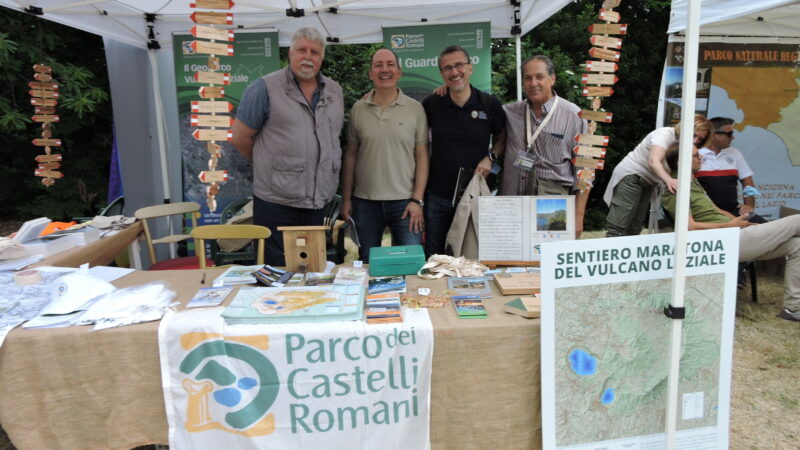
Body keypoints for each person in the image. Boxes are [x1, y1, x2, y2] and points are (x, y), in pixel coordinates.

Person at [231, 27, 344, 266]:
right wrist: (270, 165)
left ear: (321, 58)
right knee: (276, 271)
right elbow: (240, 137)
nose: (308, 56)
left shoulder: (335, 91)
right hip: (276, 201)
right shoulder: (263, 89)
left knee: (312, 269)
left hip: (316, 201)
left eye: (314, 52)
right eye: (302, 49)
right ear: (290, 54)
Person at [662, 144, 800, 322]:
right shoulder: (676, 188)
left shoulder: (692, 181)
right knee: (796, 221)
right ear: (682, 161)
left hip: (735, 234)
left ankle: (793, 308)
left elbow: (716, 211)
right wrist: (729, 226)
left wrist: (743, 223)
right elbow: (689, 227)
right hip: (722, 242)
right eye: (697, 155)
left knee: (797, 245)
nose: (702, 157)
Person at [340, 48, 429, 262]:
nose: (384, 69)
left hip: (405, 202)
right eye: (378, 65)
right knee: (367, 264)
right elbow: (350, 156)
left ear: (399, 72)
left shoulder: (415, 109)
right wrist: (346, 198)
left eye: (390, 64)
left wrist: (418, 200)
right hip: (365, 202)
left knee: (408, 264)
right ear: (370, 73)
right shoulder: (358, 109)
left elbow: (422, 157)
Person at [421, 45, 506, 257]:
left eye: (459, 65)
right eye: (447, 68)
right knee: (435, 257)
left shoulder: (489, 103)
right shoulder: (432, 104)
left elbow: (503, 137)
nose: (454, 72)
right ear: (442, 74)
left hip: (473, 195)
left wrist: (491, 157)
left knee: (473, 256)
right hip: (438, 196)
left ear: (470, 68)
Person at [502, 55, 589, 236]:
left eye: (539, 77)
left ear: (552, 79)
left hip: (551, 208)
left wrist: (578, 216)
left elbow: (586, 172)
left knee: (547, 261)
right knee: (510, 262)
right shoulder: (509, 112)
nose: (533, 83)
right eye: (528, 78)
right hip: (512, 208)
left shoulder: (574, 116)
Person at [603, 114, 712, 237]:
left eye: (700, 139)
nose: (696, 141)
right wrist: (669, 180)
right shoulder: (664, 134)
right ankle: (610, 254)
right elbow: (653, 161)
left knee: (635, 228)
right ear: (684, 128)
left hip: (650, 181)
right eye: (694, 135)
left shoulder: (687, 146)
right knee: (618, 227)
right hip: (632, 175)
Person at [696, 117, 766, 223]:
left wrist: (749, 205)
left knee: (767, 227)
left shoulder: (735, 153)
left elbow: (748, 181)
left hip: (734, 210)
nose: (732, 137)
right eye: (729, 134)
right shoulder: (695, 154)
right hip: (707, 213)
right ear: (714, 135)